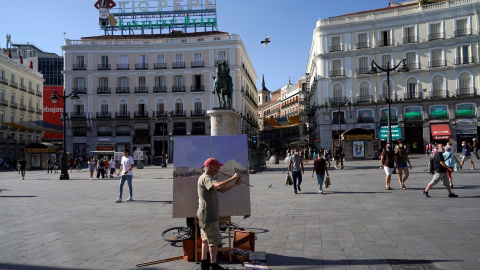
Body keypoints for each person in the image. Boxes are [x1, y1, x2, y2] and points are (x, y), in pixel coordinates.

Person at [197, 158, 242, 270]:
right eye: (217, 166)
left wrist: (234, 184)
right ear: (210, 166)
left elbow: (221, 190)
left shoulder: (207, 178)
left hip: (204, 215)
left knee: (205, 240)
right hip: (209, 216)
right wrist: (233, 178)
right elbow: (218, 186)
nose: (219, 168)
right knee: (213, 241)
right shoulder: (206, 178)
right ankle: (213, 265)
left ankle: (204, 263)